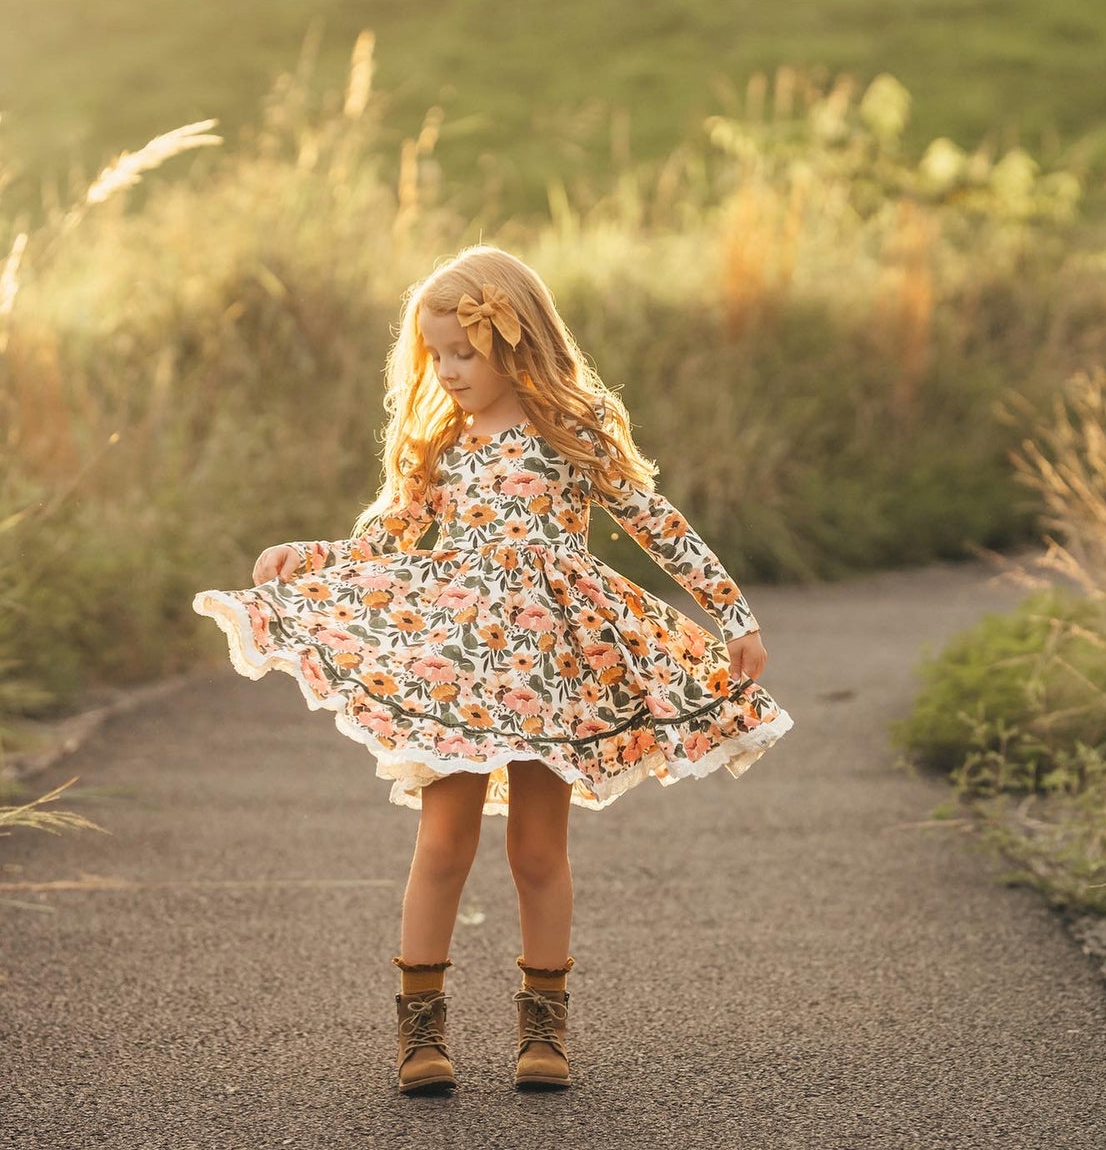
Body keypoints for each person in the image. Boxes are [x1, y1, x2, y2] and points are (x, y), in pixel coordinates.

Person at [191, 243, 794, 1095]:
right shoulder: (440, 440)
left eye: (465, 353)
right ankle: (420, 1031)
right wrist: (313, 557)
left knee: (538, 850)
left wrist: (732, 611)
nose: (449, 370)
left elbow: (657, 523)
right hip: (459, 667)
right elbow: (389, 537)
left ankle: (544, 1030)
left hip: (554, 669)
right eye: (436, 355)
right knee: (444, 841)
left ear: (517, 344)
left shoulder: (571, 429)